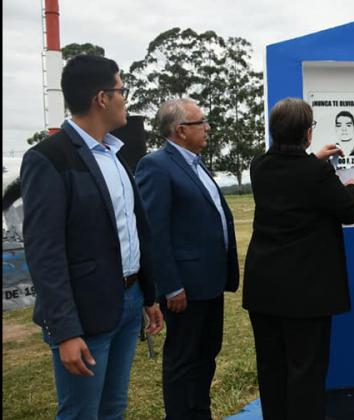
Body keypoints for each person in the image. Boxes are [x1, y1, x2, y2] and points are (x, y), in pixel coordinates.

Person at [20, 54, 164, 419]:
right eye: (122, 90)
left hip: (129, 303)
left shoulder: (116, 155)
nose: (125, 99)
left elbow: (135, 229)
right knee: (82, 413)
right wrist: (65, 331)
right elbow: (44, 252)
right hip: (85, 312)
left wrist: (148, 294)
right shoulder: (49, 158)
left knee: (113, 407)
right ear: (102, 98)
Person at [243, 98, 354, 420]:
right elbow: (351, 210)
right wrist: (353, 187)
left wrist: (315, 161)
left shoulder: (259, 166)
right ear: (307, 134)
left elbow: (291, 176)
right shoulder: (316, 173)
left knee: (272, 368)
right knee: (305, 372)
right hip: (306, 293)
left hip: (265, 289)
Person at [135, 98, 239, 419]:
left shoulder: (195, 162)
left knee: (206, 354)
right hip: (184, 289)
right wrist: (170, 286)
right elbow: (154, 233)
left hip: (210, 283)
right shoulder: (156, 165)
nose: (208, 127)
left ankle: (199, 413)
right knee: (183, 359)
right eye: (201, 122)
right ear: (180, 130)